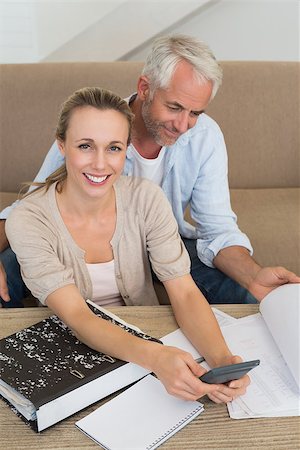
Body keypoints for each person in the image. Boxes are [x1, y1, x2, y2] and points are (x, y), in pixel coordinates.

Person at [1, 34, 299, 307]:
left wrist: (253, 276)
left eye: (195, 113)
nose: (183, 125)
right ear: (145, 88)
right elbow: (28, 209)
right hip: (93, 243)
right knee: (8, 266)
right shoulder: (96, 127)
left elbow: (217, 229)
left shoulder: (204, 136)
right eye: (174, 107)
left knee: (245, 289)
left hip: (168, 241)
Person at [5, 86, 249, 403]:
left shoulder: (147, 199)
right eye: (85, 146)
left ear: (127, 150)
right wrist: (157, 358)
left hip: (150, 342)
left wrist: (221, 360)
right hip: (78, 354)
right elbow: (78, 316)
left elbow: (185, 291)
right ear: (61, 145)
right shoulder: (27, 220)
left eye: (114, 148)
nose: (100, 164)